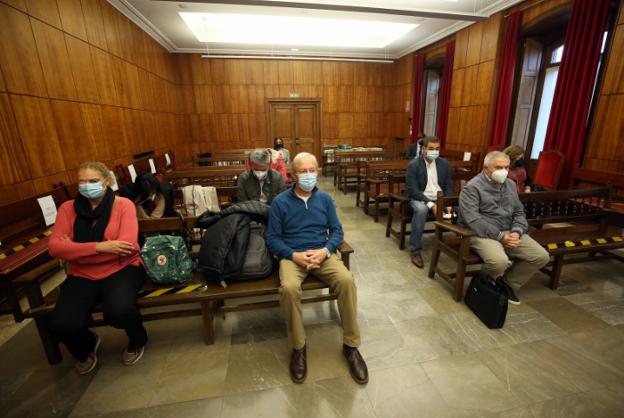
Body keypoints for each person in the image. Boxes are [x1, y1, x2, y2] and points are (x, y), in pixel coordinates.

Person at [267, 152, 368, 385]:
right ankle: (299, 348)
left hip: (323, 253)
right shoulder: (280, 202)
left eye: (312, 170)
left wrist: (325, 251)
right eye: (303, 171)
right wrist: (294, 255)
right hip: (293, 256)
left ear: (318, 172)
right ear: (293, 175)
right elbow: (272, 238)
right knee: (290, 288)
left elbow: (337, 231)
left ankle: (351, 346)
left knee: (346, 280)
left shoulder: (324, 200)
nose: (308, 175)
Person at [48, 162, 148, 375]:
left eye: (92, 181)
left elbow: (128, 246)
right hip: (82, 273)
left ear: (107, 181)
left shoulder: (123, 205)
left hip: (122, 268)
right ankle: (86, 347)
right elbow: (55, 247)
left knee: (119, 311)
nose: (86, 186)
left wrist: (74, 248)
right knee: (62, 324)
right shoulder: (68, 209)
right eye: (82, 182)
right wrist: (101, 246)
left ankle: (137, 340)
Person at [458, 151, 550, 305]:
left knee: (541, 256)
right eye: (499, 167)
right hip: (479, 233)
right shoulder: (472, 187)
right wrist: (501, 236)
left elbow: (519, 211)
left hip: (508, 230)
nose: (504, 172)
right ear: (486, 168)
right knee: (499, 261)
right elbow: (473, 219)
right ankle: (484, 282)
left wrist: (517, 231)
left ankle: (506, 284)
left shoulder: (510, 184)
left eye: (506, 168)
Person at [406, 136, 453, 268]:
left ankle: (461, 245)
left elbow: (448, 186)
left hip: (439, 197)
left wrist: (448, 203)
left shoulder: (444, 164)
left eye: (437, 149)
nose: (434, 152)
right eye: (431, 149)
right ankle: (415, 250)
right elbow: (413, 190)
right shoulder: (414, 165)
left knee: (463, 207)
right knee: (421, 210)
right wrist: (431, 204)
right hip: (419, 197)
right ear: (424, 149)